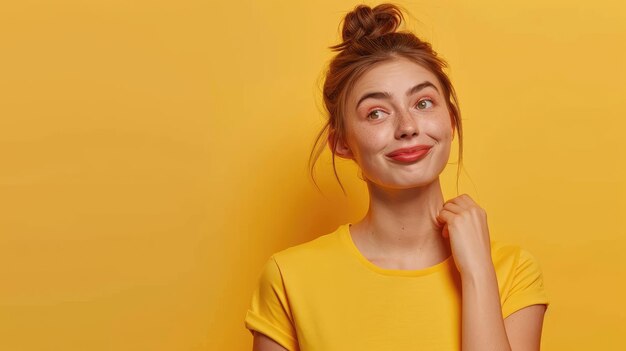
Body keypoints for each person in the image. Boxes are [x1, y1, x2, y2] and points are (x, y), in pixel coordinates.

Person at [244, 3, 550, 351]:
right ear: (342, 143)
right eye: (376, 113)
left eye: (422, 103)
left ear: (449, 120)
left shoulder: (511, 271)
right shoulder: (288, 278)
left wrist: (478, 273)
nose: (407, 127)